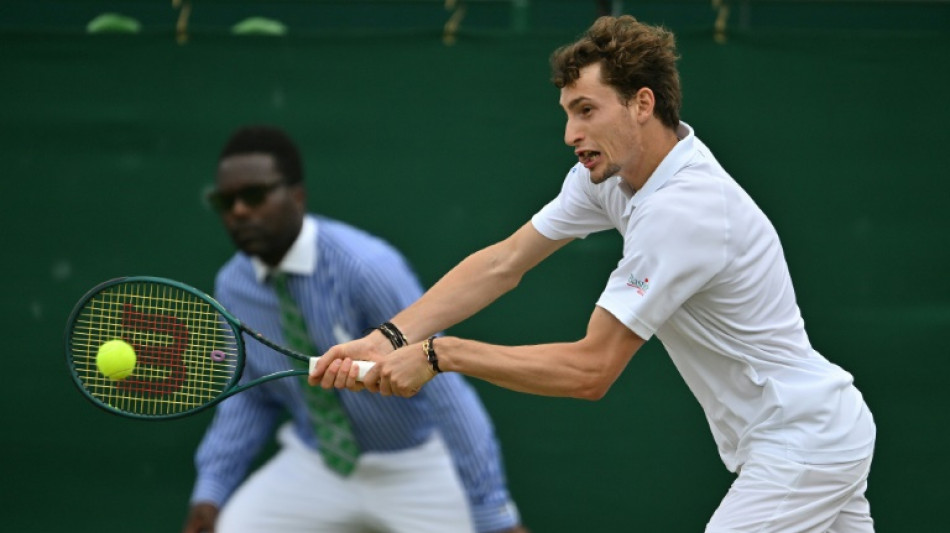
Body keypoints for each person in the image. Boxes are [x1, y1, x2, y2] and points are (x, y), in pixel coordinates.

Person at [312, 15, 877, 532]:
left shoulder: (683, 211)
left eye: (586, 110)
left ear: (642, 103)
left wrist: (441, 354)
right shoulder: (610, 178)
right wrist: (388, 338)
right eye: (567, 113)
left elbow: (591, 370)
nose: (570, 134)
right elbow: (505, 262)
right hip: (807, 434)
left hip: (803, 443)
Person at [182, 125, 526, 533]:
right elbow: (252, 398)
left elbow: (446, 390)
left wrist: (493, 511)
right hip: (314, 465)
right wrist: (211, 492)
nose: (239, 211)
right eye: (226, 202)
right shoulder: (232, 286)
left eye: (254, 196)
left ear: (297, 195)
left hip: (414, 465)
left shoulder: (367, 267)